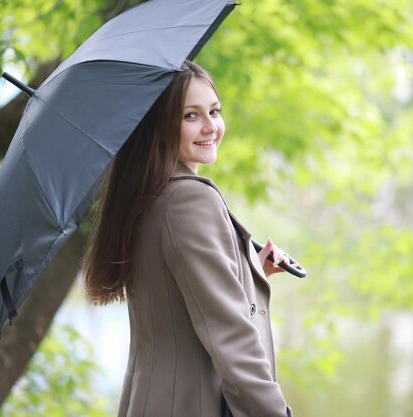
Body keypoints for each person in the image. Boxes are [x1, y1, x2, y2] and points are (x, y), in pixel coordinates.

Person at [83, 60, 294, 417]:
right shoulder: (190, 201)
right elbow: (232, 339)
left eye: (214, 111)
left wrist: (251, 272)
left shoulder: (147, 195)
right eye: (191, 116)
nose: (211, 126)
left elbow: (178, 301)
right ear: (159, 125)